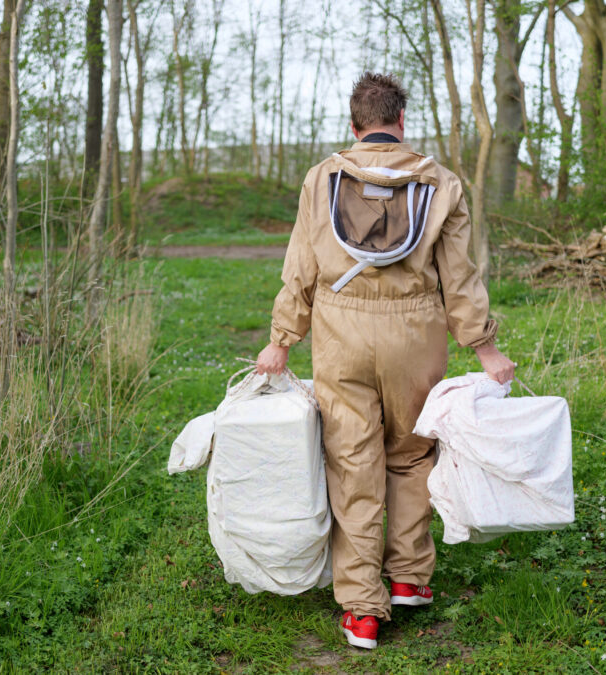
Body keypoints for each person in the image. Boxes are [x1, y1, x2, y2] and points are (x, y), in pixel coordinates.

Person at [255, 72, 515, 650]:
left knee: (353, 461)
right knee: (411, 453)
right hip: (415, 333)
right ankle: (409, 578)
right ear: (401, 123)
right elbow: (460, 278)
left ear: (354, 127)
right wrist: (485, 347)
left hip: (340, 331)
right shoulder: (440, 184)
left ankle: (362, 610)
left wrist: (281, 339)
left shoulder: (322, 179)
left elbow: (300, 266)